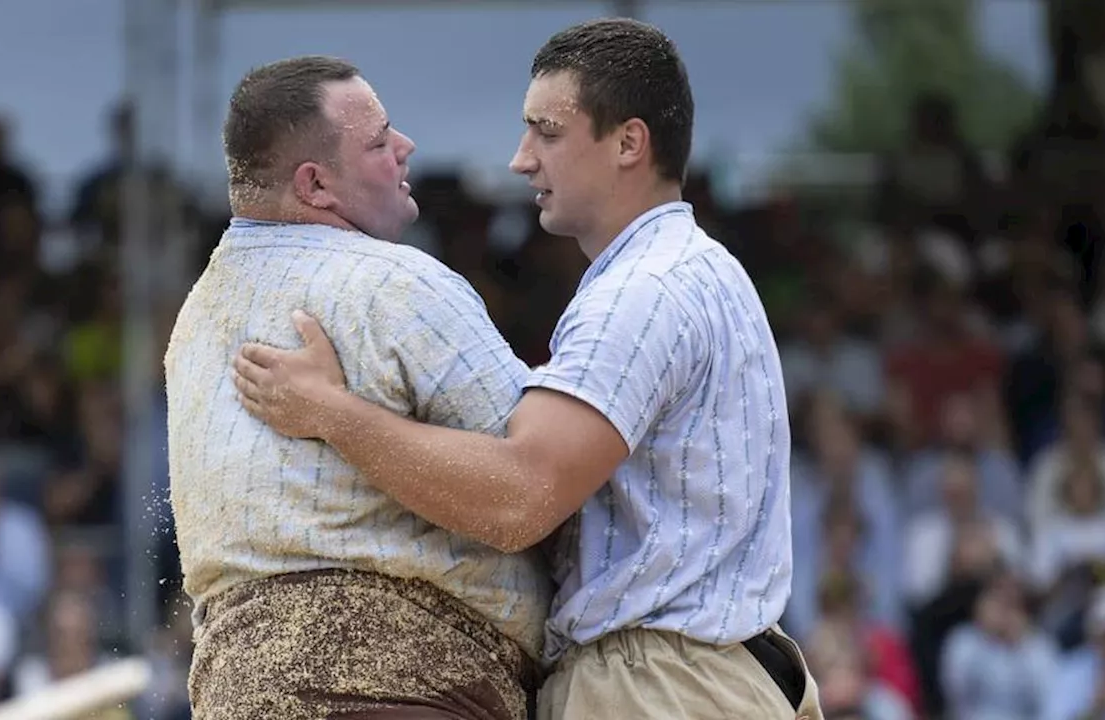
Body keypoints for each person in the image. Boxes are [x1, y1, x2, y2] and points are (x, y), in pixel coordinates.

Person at [233, 18, 823, 720]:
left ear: (629, 142)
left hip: (657, 685)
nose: (520, 158)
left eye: (546, 131)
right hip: (709, 676)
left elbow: (518, 499)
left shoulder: (642, 291)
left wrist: (330, 411)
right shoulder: (695, 268)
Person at [165, 56, 551, 719]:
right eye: (379, 142)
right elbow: (537, 492)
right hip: (406, 691)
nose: (406, 148)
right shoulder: (397, 284)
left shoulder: (193, 322)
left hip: (235, 696)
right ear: (315, 184)